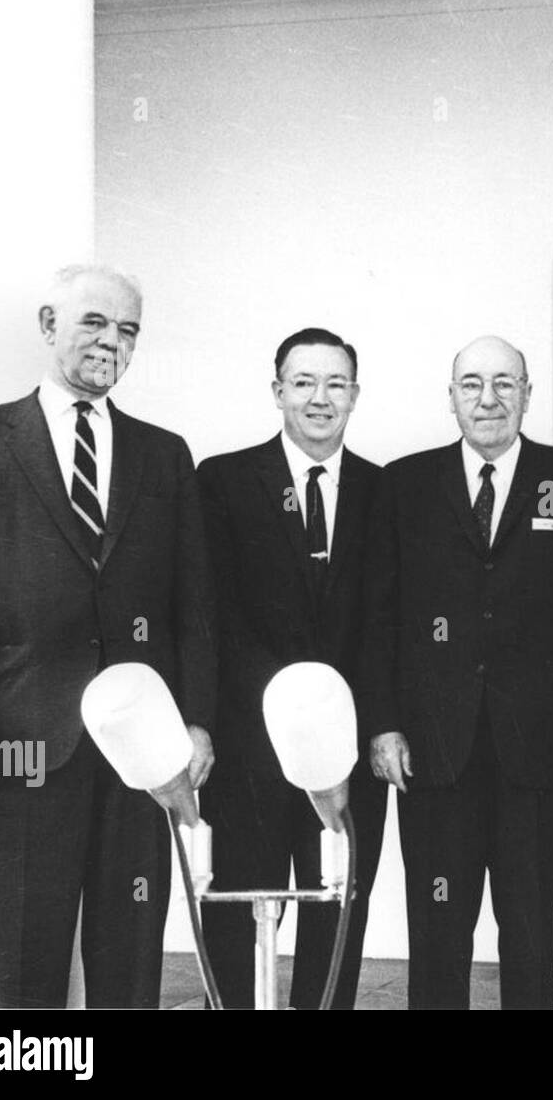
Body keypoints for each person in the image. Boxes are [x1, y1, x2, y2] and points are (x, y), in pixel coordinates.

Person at [0, 264, 216, 1007]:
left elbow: (193, 604)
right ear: (48, 324)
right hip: (18, 741)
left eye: (128, 330)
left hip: (141, 750)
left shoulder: (165, 454)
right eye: (94, 321)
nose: (111, 341)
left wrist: (195, 722)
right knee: (22, 960)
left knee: (129, 961)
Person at [363, 335, 553, 1009]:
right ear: (451, 397)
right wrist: (383, 725)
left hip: (538, 750)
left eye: (505, 383)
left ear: (528, 394)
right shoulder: (402, 484)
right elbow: (379, 617)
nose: (488, 399)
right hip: (432, 752)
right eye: (472, 384)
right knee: (437, 931)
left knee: (531, 930)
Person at [196, 327, 387, 1009]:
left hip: (348, 752)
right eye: (303, 382)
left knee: (337, 914)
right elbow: (209, 614)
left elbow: (387, 623)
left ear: (355, 394)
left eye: (336, 383)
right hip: (248, 747)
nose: (319, 398)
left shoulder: (382, 489)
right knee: (237, 911)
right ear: (277, 390)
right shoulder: (221, 480)